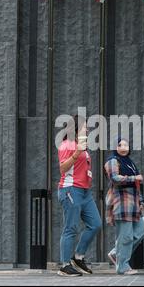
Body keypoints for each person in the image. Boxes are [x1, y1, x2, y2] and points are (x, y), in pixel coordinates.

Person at [57, 115, 102, 277]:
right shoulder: (67, 144)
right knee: (71, 228)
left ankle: (78, 257)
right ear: (75, 128)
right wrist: (76, 153)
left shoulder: (81, 145)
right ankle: (65, 265)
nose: (88, 129)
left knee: (96, 224)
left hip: (84, 192)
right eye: (85, 126)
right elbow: (62, 168)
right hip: (70, 189)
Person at [104, 138, 144, 275]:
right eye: (120, 144)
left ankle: (116, 253)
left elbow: (138, 185)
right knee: (126, 236)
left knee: (140, 231)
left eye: (126, 144)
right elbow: (114, 179)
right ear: (115, 147)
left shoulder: (130, 163)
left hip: (133, 202)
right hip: (121, 201)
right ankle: (122, 266)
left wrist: (141, 202)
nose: (123, 147)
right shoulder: (112, 160)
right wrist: (134, 178)